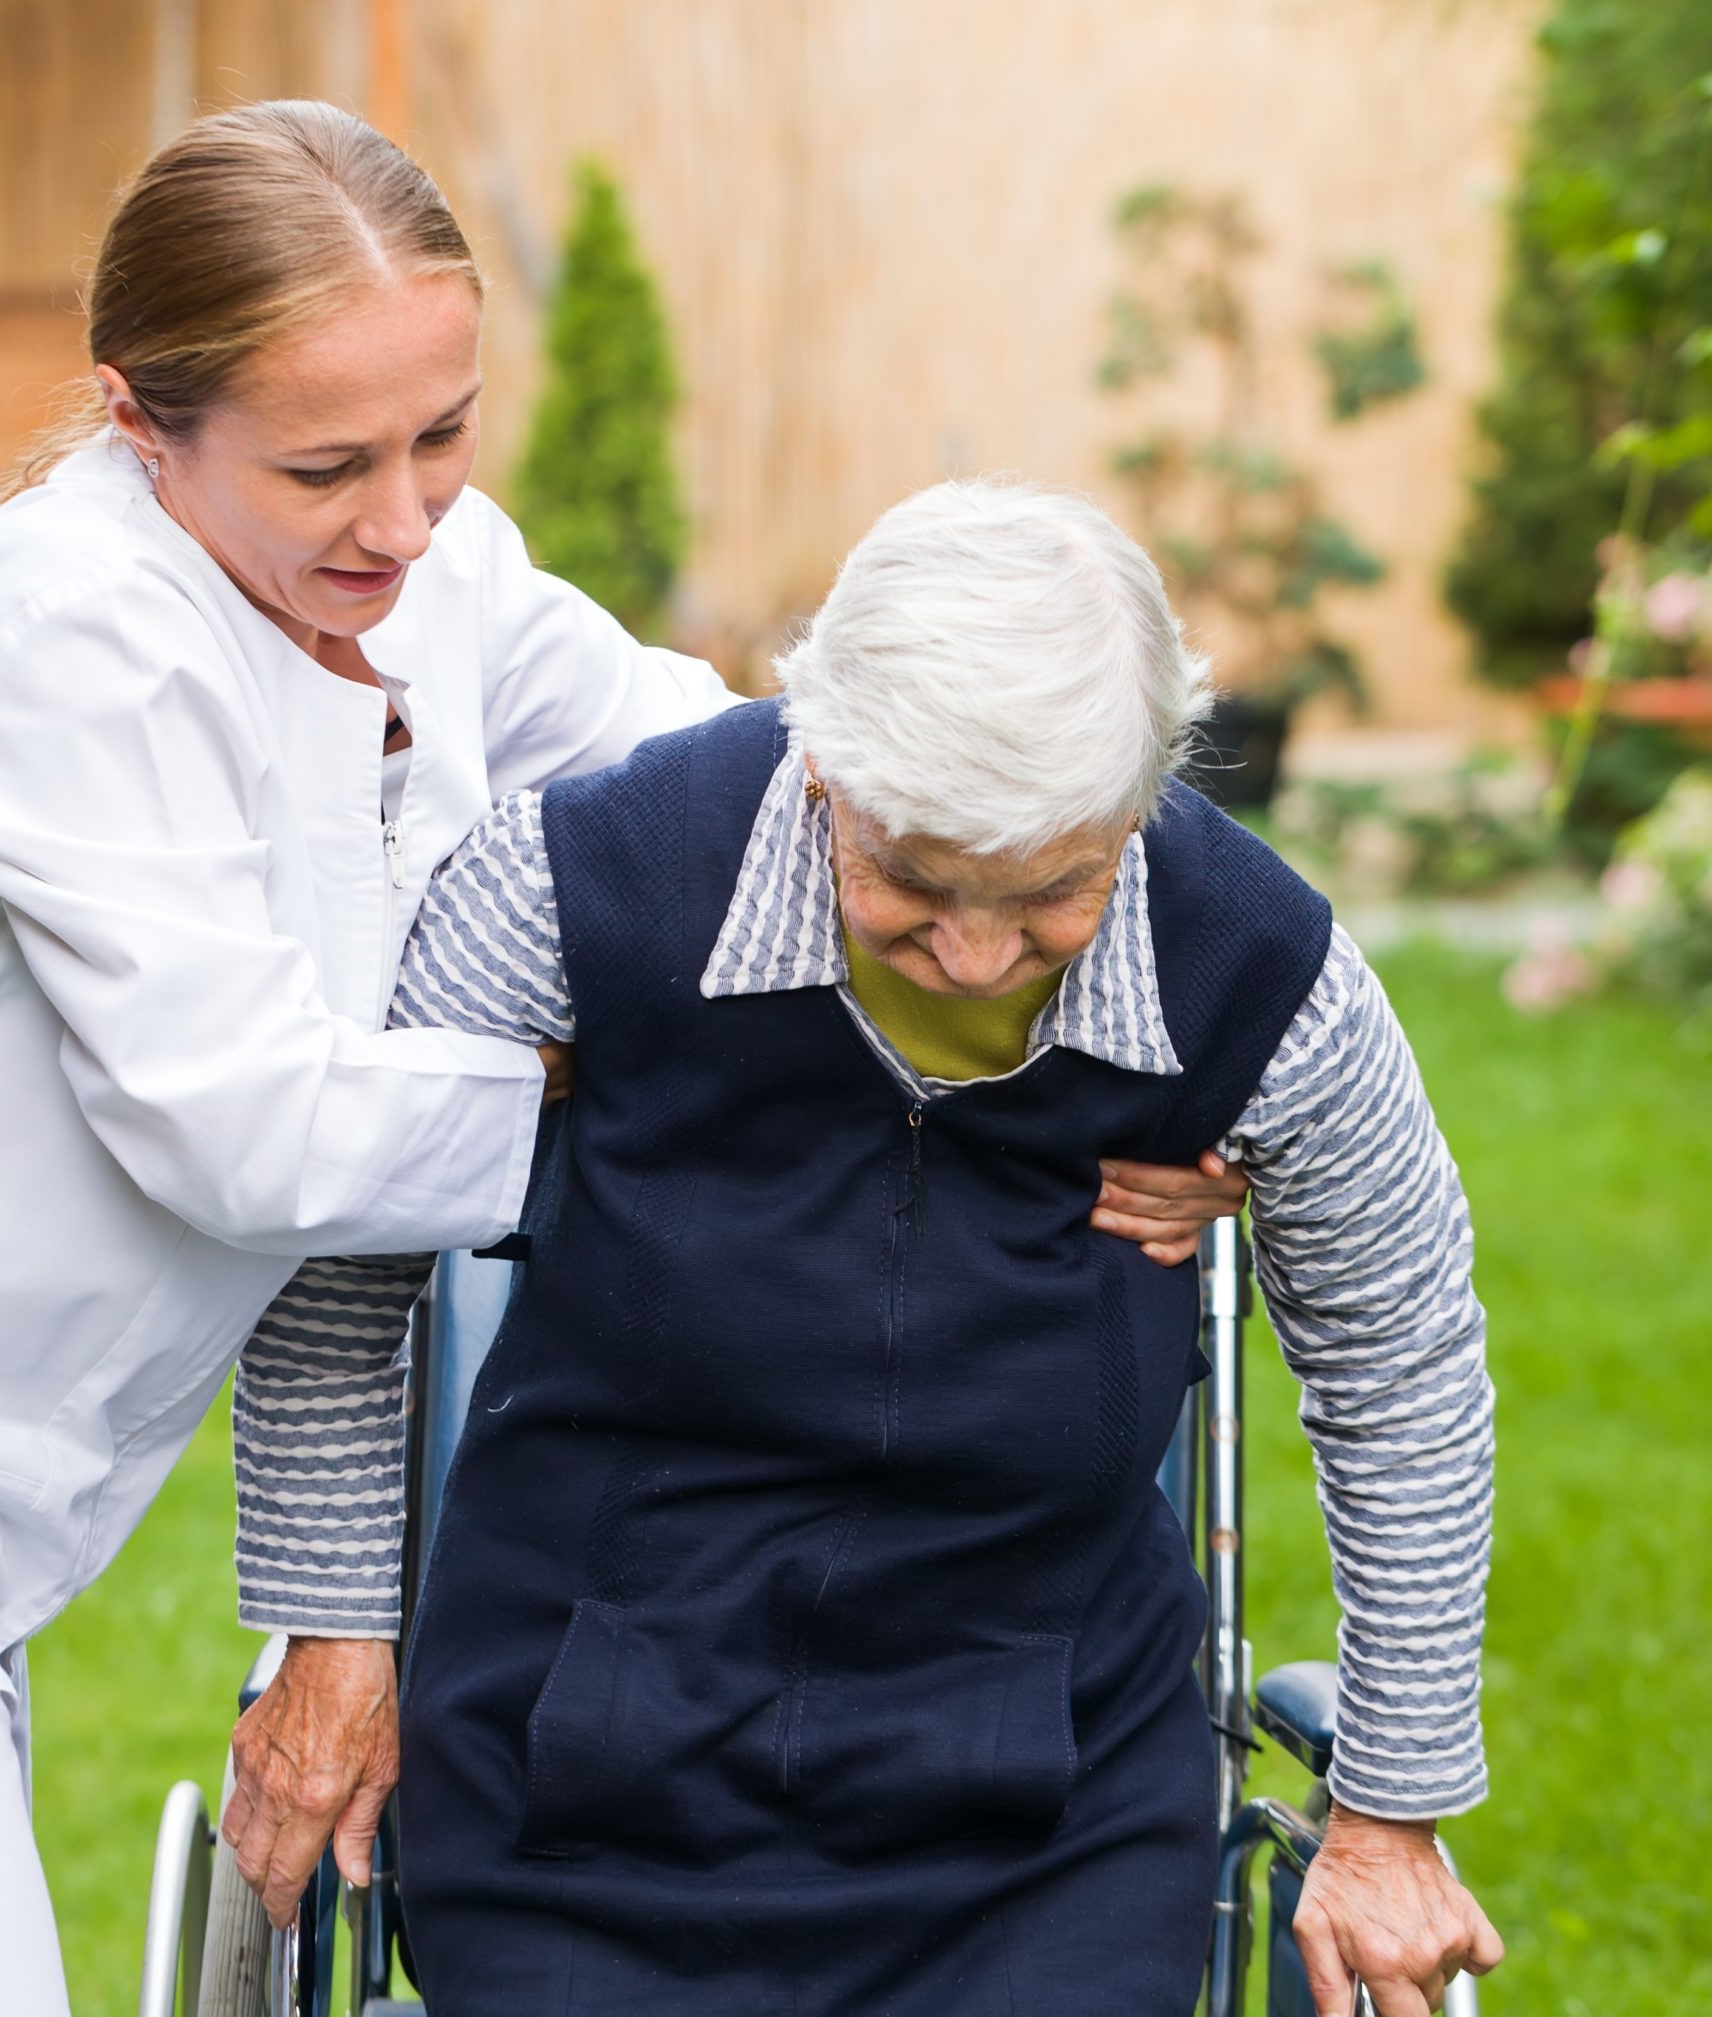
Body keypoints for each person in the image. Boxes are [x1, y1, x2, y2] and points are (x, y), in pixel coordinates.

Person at [0, 106, 1238, 2016]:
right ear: (134, 417)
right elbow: (245, 1129)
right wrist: (648, 1103)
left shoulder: (443, 579)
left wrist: (1141, 1034)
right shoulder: (74, 635)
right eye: (327, 462)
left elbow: (738, 785)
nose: (403, 518)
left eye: (445, 434)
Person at [242, 480, 1504, 2015]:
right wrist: (331, 1639)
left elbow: (1406, 1362)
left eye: (1052, 891)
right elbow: (340, 1274)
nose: (974, 953)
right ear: (821, 759)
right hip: (585, 1759)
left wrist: (1389, 1799)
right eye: (914, 879)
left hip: (1041, 1791)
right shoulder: (575, 887)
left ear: (1141, 803)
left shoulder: (1262, 976)